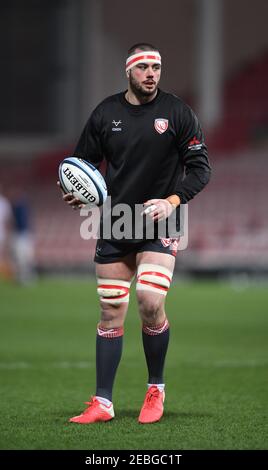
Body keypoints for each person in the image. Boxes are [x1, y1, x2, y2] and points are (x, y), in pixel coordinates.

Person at [58, 43, 211, 424]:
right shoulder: (105, 114)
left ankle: (155, 388)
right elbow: (82, 166)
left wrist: (173, 201)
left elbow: (200, 169)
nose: (151, 73)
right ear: (128, 71)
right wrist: (77, 194)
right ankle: (102, 403)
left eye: (157, 66)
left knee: (148, 299)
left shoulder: (178, 112)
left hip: (161, 220)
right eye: (143, 66)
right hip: (116, 221)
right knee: (111, 310)